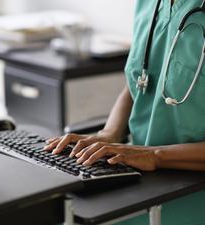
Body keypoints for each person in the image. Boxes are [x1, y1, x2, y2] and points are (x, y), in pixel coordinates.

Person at [45, 0, 205, 224]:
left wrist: (155, 155)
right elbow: (141, 79)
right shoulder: (149, 4)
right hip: (136, 180)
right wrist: (109, 133)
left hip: (189, 195)